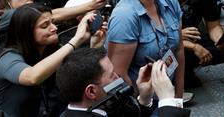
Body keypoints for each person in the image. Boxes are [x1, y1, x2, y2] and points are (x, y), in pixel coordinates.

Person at [0, 3, 96, 116]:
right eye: (45, 26)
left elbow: (78, 72)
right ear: (26, 32)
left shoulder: (50, 50)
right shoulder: (7, 58)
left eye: (53, 22)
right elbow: (32, 77)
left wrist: (94, 45)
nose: (54, 28)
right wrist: (76, 39)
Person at [107, 0, 185, 98]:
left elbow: (179, 48)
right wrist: (143, 104)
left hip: (168, 94)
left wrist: (178, 96)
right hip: (143, 101)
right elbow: (119, 74)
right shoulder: (125, 16)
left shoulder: (170, 0)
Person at [56, 48, 188, 116]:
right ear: (91, 91)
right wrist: (168, 99)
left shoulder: (99, 107)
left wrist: (145, 97)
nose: (118, 77)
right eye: (111, 74)